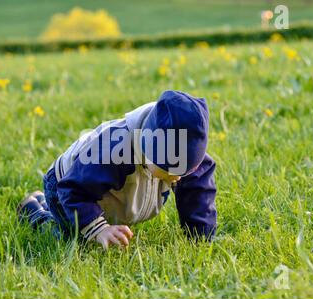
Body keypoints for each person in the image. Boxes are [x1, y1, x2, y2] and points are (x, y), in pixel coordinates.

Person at [17, 90, 217, 249]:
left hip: (99, 192)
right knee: (73, 242)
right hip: (69, 186)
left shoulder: (183, 157)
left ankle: (46, 204)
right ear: (147, 149)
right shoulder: (113, 151)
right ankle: (34, 212)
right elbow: (72, 189)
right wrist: (98, 229)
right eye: (169, 171)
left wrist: (201, 237)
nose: (176, 178)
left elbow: (197, 190)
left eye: (184, 171)